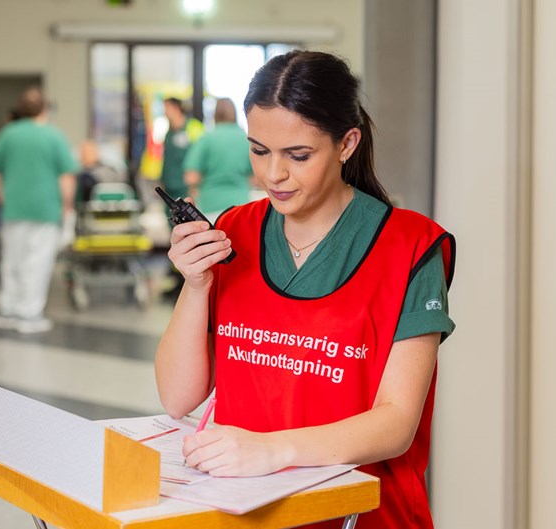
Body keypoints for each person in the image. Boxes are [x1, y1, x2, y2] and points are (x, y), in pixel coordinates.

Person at [154, 50, 455, 529]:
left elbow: (397, 422)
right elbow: (177, 397)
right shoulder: (235, 231)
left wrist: (272, 450)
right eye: (258, 150)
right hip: (245, 509)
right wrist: (196, 285)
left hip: (360, 514)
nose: (273, 174)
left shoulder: (411, 247)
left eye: (298, 155)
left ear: (346, 143)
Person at [0, 87, 78, 333]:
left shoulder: (8, 134)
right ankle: (29, 314)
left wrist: (1, 195)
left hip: (13, 209)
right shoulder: (54, 136)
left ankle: (8, 310)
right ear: (45, 108)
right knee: (37, 263)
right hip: (45, 210)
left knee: (12, 262)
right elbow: (66, 178)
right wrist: (67, 207)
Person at [182, 97, 253, 222]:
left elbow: (191, 177)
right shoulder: (247, 140)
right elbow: (256, 177)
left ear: (215, 114)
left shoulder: (206, 138)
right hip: (242, 207)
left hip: (211, 207)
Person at [160, 97, 203, 202]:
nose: (165, 112)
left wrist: (196, 185)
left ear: (177, 108)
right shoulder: (168, 133)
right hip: (169, 187)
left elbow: (201, 156)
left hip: (186, 189)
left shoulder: (193, 127)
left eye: (167, 108)